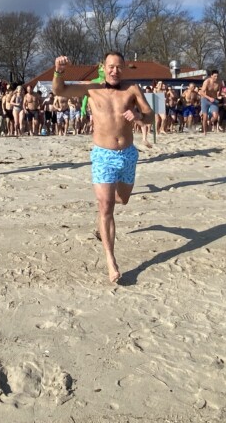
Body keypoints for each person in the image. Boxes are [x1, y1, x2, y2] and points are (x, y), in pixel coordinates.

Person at [52, 52, 154, 283]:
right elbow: (60, 90)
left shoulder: (132, 89)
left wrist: (138, 114)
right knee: (105, 206)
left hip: (127, 154)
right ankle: (111, 260)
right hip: (102, 155)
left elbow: (150, 117)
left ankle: (103, 225)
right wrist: (58, 70)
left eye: (119, 67)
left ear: (124, 68)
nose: (114, 71)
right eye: (110, 67)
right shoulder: (92, 88)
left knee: (122, 200)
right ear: (103, 67)